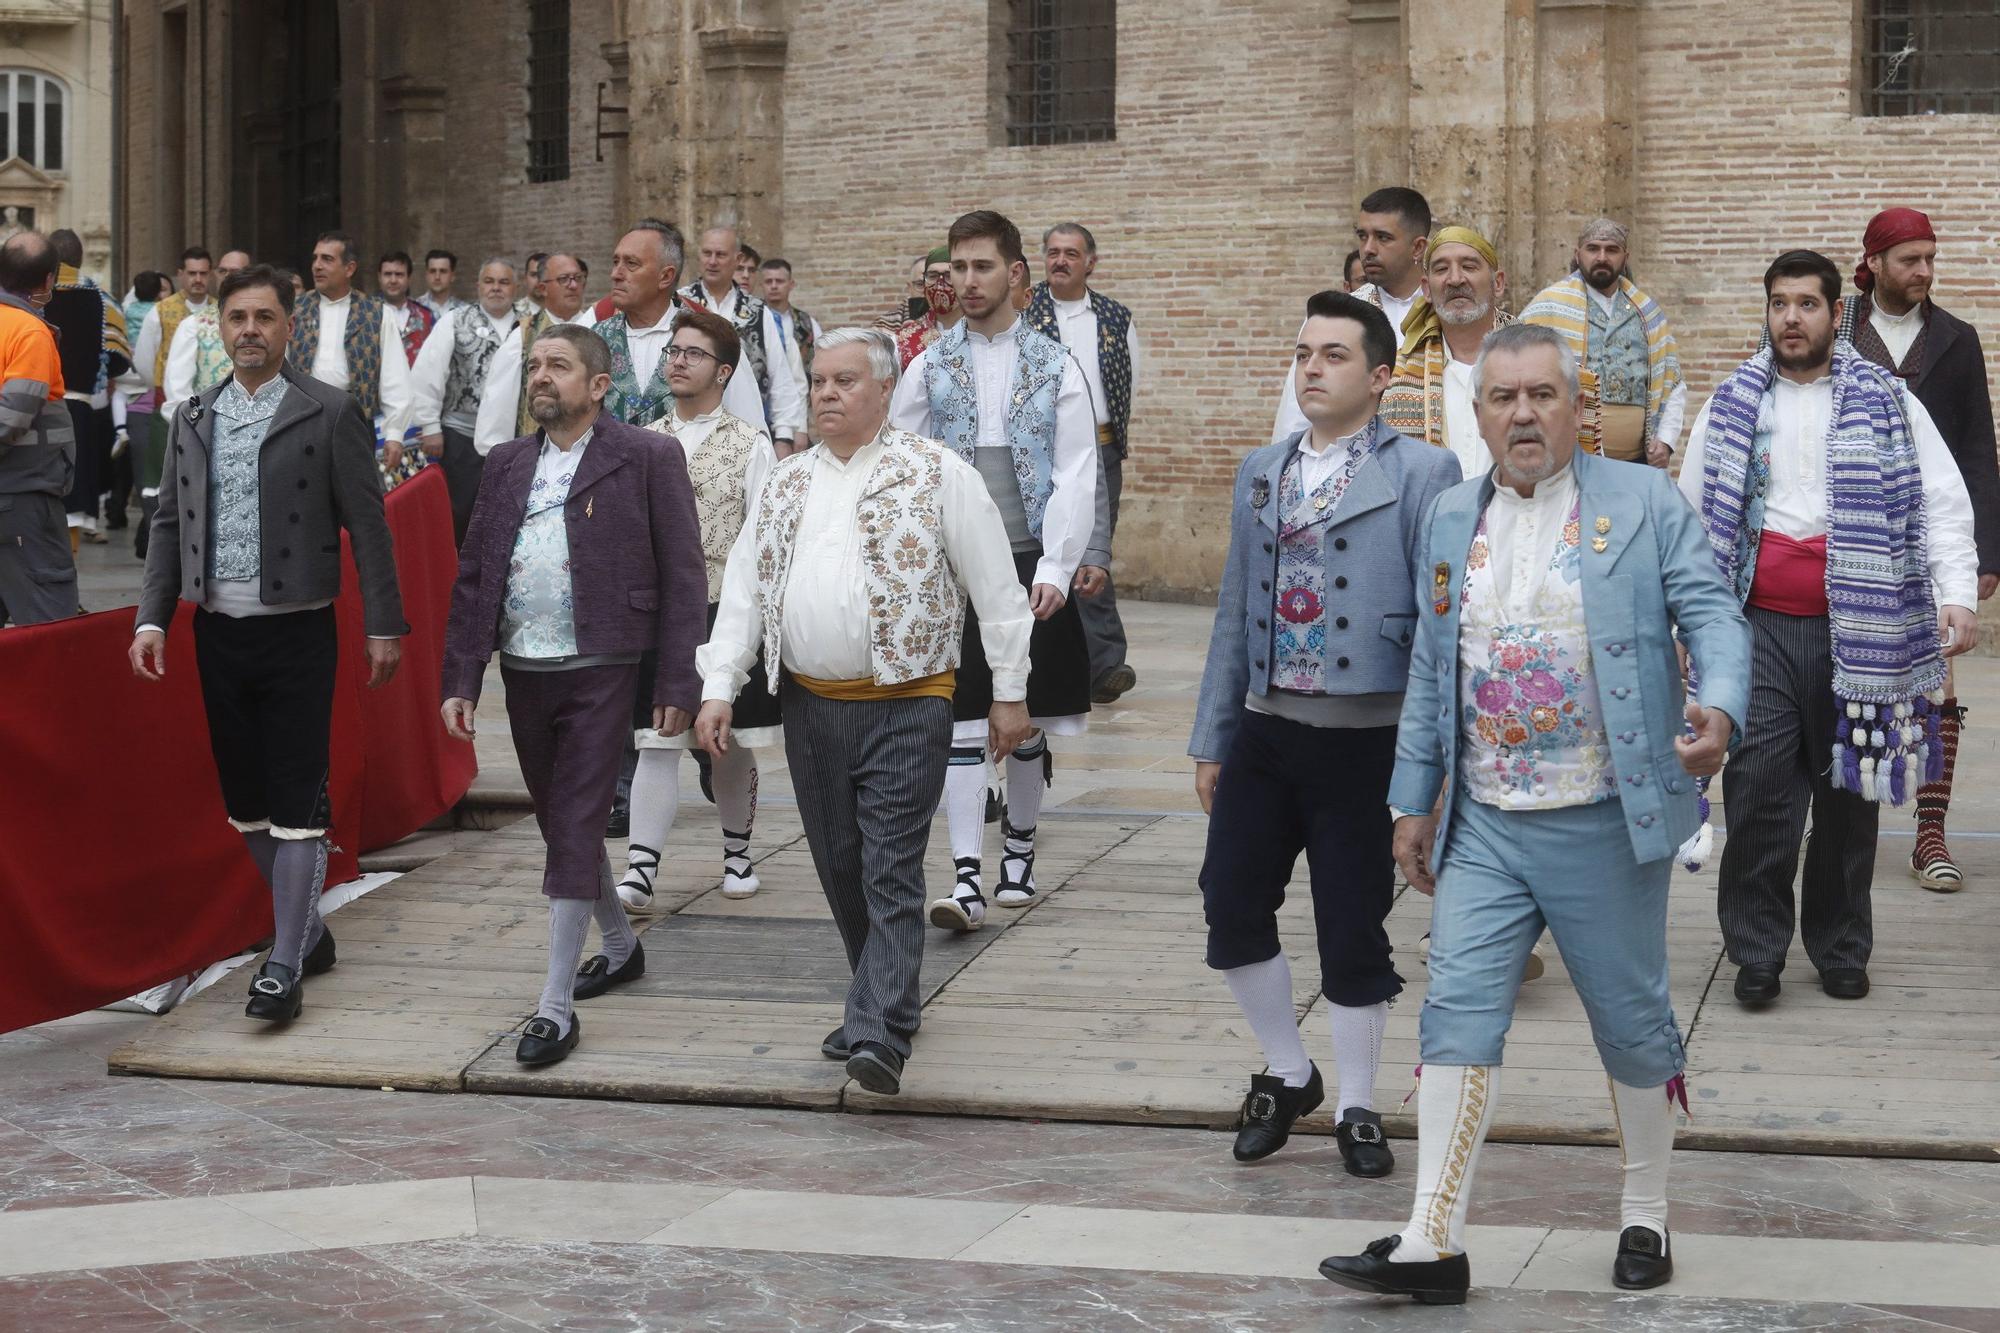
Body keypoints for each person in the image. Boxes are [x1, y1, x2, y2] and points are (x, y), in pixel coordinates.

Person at [1318, 322, 1751, 1304]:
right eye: (1503, 397)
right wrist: (1408, 801)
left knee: (1631, 1021)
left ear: (1575, 408)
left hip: (1606, 815)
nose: (1521, 413)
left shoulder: (1641, 501)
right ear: (1478, 414)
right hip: (1485, 821)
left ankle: (1643, 1212)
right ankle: (1432, 1238)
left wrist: (1715, 707)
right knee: (1455, 1012)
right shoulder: (1446, 521)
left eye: (1541, 395)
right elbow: (1433, 668)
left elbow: (1712, 614)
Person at [694, 328, 1033, 1096]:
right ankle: (878, 994)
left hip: (911, 699)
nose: (826, 394)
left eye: (844, 381)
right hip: (813, 706)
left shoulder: (937, 472)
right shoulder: (782, 485)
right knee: (838, 862)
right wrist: (720, 683)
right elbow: (745, 591)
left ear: (884, 390)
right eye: (817, 381)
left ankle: (879, 1028)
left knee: (888, 864)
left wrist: (1010, 690)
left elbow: (996, 589)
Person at [1191, 290, 1461, 1172]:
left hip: (1367, 739)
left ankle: (1355, 1104)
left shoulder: (1425, 473)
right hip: (1267, 733)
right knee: (1231, 901)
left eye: (1334, 355)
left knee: (1352, 927)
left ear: (1380, 377)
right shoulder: (1262, 468)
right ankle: (1287, 1067)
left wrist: (1429, 765)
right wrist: (1212, 735)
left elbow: (1440, 627)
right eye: (1304, 353)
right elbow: (1237, 607)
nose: (1312, 368)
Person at [1679, 250, 1977, 1008]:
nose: (1790, 318)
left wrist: (1959, 594)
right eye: (1779, 303)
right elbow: (1686, 517)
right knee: (1759, 792)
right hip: (1757, 629)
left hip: (1862, 634)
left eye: (1806, 304)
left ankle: (1842, 946)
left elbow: (1942, 500)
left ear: (1835, 313)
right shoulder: (1732, 400)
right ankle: (1756, 950)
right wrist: (1681, 616)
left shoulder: (1888, 400)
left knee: (1850, 793)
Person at [130, 263, 406, 1022]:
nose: (250, 330)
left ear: (290, 327)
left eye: (264, 317)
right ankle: (308, 931)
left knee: (298, 801)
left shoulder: (327, 410)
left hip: (299, 633)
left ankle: (282, 963)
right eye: (237, 318)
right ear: (220, 328)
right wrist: (152, 617)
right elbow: (167, 526)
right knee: (246, 804)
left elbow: (370, 525)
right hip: (216, 632)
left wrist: (384, 622)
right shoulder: (192, 415)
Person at [440, 324, 707, 1067]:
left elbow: (686, 575)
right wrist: (462, 676)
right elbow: (473, 576)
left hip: (605, 660)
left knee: (577, 819)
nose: (541, 377)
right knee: (563, 820)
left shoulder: (647, 455)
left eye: (558, 366)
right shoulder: (504, 464)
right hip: (526, 666)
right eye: (535, 366)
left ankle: (553, 1007)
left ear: (598, 384)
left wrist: (679, 681)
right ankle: (620, 945)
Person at [889, 210, 1098, 930]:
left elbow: (1075, 468)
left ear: (1016, 274)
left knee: (1028, 715)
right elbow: (904, 461)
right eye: (956, 268)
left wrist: (1062, 565)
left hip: (1031, 556)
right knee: (964, 716)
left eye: (982, 267)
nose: (966, 281)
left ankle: (1020, 849)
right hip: (956, 567)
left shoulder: (1053, 362)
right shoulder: (929, 362)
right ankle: (966, 875)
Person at [1845, 207, 2000, 893]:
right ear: (1874, 261)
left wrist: (1983, 551)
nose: (1925, 272)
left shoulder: (1956, 339)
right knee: (1840, 683)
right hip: (1846, 531)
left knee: (1939, 686)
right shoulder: (1835, 327)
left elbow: (1975, 446)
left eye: (1930, 259)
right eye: (1911, 260)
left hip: (1929, 531)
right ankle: (1839, 817)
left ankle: (1929, 834)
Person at [616, 307, 780, 910]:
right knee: (656, 737)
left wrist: (757, 621)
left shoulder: (750, 445)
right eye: (674, 351)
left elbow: (764, 539)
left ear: (724, 371)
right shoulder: (643, 441)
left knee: (726, 741)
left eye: (693, 354)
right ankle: (641, 868)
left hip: (723, 609)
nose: (678, 361)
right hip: (660, 614)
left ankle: (738, 854)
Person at [1026, 222, 1139, 704]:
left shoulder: (1115, 316)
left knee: (1094, 551)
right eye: (1053, 252)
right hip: (1036, 449)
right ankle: (1041, 659)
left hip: (1100, 448)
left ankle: (1105, 664)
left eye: (1071, 253)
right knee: (1041, 547)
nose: (1060, 261)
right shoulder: (1024, 311)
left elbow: (1129, 383)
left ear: (1090, 261)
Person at [1522, 218, 1687, 465]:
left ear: (1625, 256)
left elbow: (1673, 383)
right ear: (1577, 255)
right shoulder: (1549, 306)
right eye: (1593, 249)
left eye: (1611, 250)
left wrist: (1665, 440)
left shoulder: (1648, 313)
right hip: (1567, 462)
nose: (1602, 257)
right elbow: (1515, 372)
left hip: (1637, 466)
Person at [1273, 189, 1432, 443]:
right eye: (1362, 236)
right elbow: (1298, 411)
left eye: (1383, 237)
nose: (1368, 249)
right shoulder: (1338, 314)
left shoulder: (1446, 310)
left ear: (1418, 247)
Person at [410, 257, 523, 543]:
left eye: (503, 282)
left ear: (515, 287)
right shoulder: (456, 320)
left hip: (515, 437)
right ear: (478, 286)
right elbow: (428, 373)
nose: (496, 288)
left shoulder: (529, 323)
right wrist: (431, 426)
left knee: (508, 512)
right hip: (462, 435)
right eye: (489, 281)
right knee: (460, 513)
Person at [0, 231, 79, 625]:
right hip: (23, 499)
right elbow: (12, 419)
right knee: (50, 620)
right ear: (49, 280)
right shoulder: (28, 333)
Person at [285, 231, 414, 464]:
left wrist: (395, 433)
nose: (317, 266)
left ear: (349, 268)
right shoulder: (295, 309)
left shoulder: (375, 312)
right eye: (315, 258)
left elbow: (394, 377)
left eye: (327, 259)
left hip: (354, 421)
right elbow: (278, 366)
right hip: (301, 420)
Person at [678, 225, 801, 449]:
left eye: (720, 255)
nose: (712, 261)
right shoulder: (680, 304)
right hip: (687, 432)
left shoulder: (758, 311)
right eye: (707, 253)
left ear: (737, 258)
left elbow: (780, 377)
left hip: (746, 432)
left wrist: (783, 438)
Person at [49, 229, 132, 548]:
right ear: (80, 259)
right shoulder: (101, 297)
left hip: (34, 407)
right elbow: (120, 357)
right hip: (80, 409)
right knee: (73, 499)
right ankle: (69, 587)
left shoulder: (30, 297)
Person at [758, 256, 820, 457]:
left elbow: (809, 377)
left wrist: (802, 426)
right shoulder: (754, 320)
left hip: (797, 415)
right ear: (761, 284)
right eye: (769, 281)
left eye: (780, 281)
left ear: (791, 284)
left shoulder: (807, 324)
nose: (774, 286)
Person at [890, 247, 958, 370]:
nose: (940, 284)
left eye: (949, 275)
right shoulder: (901, 342)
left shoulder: (982, 334)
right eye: (932, 276)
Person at [378, 251, 435, 363]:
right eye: (388, 274)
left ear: (409, 279)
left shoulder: (426, 316)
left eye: (399, 274)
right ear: (379, 277)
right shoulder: (367, 315)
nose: (393, 280)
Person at [417, 249, 468, 321]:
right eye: (432, 271)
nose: (437, 277)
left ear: (452, 276)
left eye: (443, 271)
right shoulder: (414, 310)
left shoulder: (465, 312)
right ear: (426, 275)